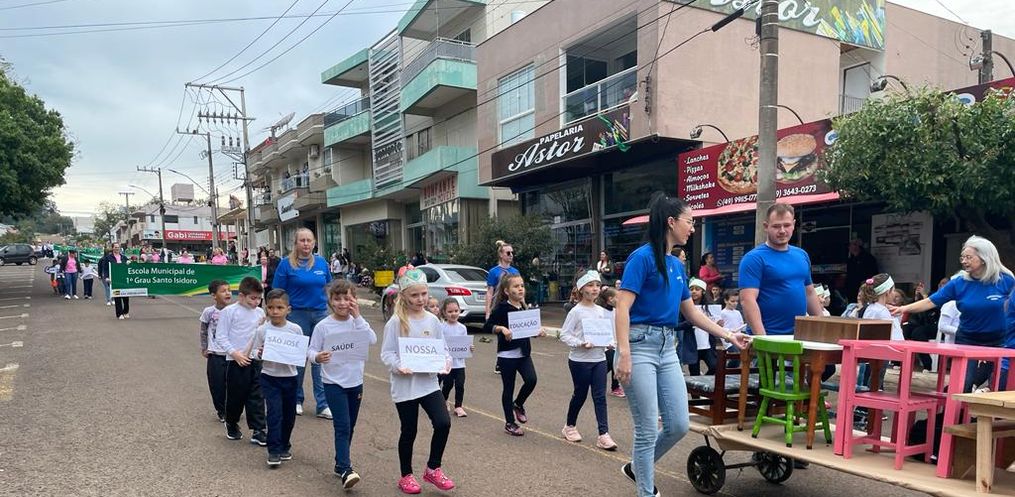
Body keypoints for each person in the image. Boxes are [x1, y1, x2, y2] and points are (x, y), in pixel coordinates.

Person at [613, 193, 750, 497]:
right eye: (690, 221)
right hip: (639, 345)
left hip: (667, 347)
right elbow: (622, 307)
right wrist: (624, 353)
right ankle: (646, 492)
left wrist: (728, 335)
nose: (693, 228)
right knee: (647, 428)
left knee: (678, 424)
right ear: (671, 222)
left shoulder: (676, 265)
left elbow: (692, 313)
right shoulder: (642, 258)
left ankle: (637, 467)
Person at [891, 236, 1015, 392]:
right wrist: (904, 309)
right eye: (962, 257)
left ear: (984, 258)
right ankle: (954, 406)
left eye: (969, 257)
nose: (964, 261)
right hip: (968, 338)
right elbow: (930, 301)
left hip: (999, 340)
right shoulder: (959, 283)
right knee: (964, 383)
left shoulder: (1006, 281)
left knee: (999, 384)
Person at [380, 269, 456, 494]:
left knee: (443, 423)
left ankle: (433, 468)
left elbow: (442, 348)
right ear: (403, 295)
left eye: (424, 294)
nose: (420, 299)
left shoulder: (432, 320)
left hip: (428, 383)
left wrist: (447, 361)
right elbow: (386, 353)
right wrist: (398, 366)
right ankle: (406, 475)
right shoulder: (396, 322)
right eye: (414, 295)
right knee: (409, 430)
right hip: (405, 386)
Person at [309, 280, 376, 489]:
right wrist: (317, 357)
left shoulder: (357, 322)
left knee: (350, 425)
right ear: (330, 300)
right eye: (337, 299)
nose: (342, 303)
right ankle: (347, 469)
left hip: (355, 382)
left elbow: (372, 340)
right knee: (343, 425)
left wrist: (358, 317)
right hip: (333, 383)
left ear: (354, 300)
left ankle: (340, 463)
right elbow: (311, 350)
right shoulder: (323, 326)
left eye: (347, 298)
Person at [272, 227, 333, 419]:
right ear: (296, 243)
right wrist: (277, 315)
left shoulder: (322, 263)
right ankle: (296, 400)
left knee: (320, 359)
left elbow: (329, 287)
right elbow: (277, 292)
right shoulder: (285, 264)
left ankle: (322, 404)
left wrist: (336, 310)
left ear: (314, 243)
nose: (306, 244)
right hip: (296, 315)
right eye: (302, 240)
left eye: (309, 240)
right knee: (297, 360)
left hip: (320, 314)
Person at [739, 204, 825, 336]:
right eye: (776, 226)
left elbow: (809, 293)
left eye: (787, 225)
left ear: (794, 224)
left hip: (798, 336)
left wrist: (822, 328)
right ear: (766, 226)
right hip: (768, 336)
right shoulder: (753, 259)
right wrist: (762, 339)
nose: (782, 231)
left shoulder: (801, 255)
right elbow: (747, 300)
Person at [558, 270, 618, 451]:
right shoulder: (576, 312)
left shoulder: (602, 311)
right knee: (580, 394)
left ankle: (603, 434)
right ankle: (569, 426)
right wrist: (580, 343)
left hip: (599, 359)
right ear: (581, 289)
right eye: (590, 285)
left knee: (600, 396)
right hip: (579, 360)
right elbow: (564, 335)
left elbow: (610, 334)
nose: (595, 289)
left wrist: (610, 343)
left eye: (598, 285)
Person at [484, 273, 546, 436]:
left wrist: (537, 332)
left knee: (531, 380)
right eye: (516, 286)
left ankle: (518, 403)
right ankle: (509, 422)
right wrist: (501, 329)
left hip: (524, 353)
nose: (520, 289)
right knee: (508, 388)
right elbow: (488, 325)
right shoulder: (502, 308)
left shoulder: (524, 307)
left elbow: (528, 330)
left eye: (522, 286)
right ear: (506, 291)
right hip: (507, 355)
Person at [246, 289, 302, 467]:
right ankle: (274, 450)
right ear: (266, 309)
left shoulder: (295, 329)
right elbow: (253, 352)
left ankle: (285, 445)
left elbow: (302, 352)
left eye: (279, 307)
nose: (275, 311)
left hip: (291, 377)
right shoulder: (262, 330)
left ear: (288, 309)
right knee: (274, 413)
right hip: (270, 377)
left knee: (289, 415)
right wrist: (260, 353)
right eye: (271, 308)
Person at [213, 276, 268, 445]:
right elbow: (221, 336)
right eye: (253, 298)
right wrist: (234, 353)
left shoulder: (260, 313)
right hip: (236, 361)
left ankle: (258, 429)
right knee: (236, 396)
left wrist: (261, 350)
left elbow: (261, 336)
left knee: (257, 395)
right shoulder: (229, 312)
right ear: (242, 296)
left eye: (259, 299)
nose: (256, 302)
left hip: (255, 360)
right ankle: (231, 422)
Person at [200, 279, 231, 423]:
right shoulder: (209, 312)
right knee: (216, 384)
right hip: (215, 354)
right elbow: (203, 330)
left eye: (229, 290)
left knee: (232, 384)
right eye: (223, 291)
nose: (228, 293)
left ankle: (232, 408)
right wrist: (204, 347)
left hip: (231, 354)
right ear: (214, 295)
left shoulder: (233, 311)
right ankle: (221, 410)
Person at [438, 298, 471, 418]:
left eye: (456, 311)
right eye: (450, 311)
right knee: (447, 384)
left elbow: (465, 344)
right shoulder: (442, 327)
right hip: (447, 363)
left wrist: (469, 348)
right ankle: (444, 399)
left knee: (460, 384)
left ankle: (458, 406)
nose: (454, 314)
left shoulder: (462, 328)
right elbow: (439, 343)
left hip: (459, 363)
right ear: (444, 312)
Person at [596, 286, 624, 397]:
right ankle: (611, 386)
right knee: (611, 364)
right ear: (610, 299)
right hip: (606, 345)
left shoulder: (616, 311)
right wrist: (605, 342)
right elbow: (598, 329)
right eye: (617, 297)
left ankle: (615, 387)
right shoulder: (600, 312)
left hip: (617, 343)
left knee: (614, 365)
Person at [687, 278, 718, 376]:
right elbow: (678, 325)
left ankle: (704, 380)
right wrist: (690, 323)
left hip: (707, 344)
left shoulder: (710, 308)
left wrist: (718, 324)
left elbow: (715, 323)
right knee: (694, 373)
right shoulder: (684, 307)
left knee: (715, 366)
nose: (694, 291)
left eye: (697, 289)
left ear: (703, 292)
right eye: (691, 289)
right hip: (692, 346)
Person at [846, 238, 880, 303]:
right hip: (852, 288)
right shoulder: (851, 260)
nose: (849, 247)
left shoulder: (868, 258)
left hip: (864, 287)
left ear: (857, 246)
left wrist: (866, 283)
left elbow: (873, 273)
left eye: (851, 245)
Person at [101, 244, 130, 316]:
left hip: (123, 279)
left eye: (118, 247)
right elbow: (105, 268)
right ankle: (119, 314)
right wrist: (106, 277)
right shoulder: (108, 258)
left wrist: (129, 263)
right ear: (112, 248)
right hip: (114, 279)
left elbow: (130, 266)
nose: (117, 248)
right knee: (117, 296)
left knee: (126, 297)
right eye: (115, 247)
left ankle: (126, 311)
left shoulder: (124, 257)